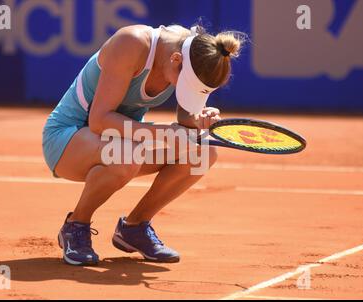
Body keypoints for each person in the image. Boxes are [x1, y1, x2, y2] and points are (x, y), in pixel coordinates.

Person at [42, 23, 243, 265]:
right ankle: (76, 226)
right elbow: (99, 121)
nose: (183, 90)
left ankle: (134, 228)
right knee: (126, 153)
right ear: (176, 59)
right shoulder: (131, 43)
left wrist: (198, 122)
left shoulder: (193, 54)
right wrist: (163, 133)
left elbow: (185, 119)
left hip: (124, 143)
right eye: (186, 85)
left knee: (203, 153)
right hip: (67, 140)